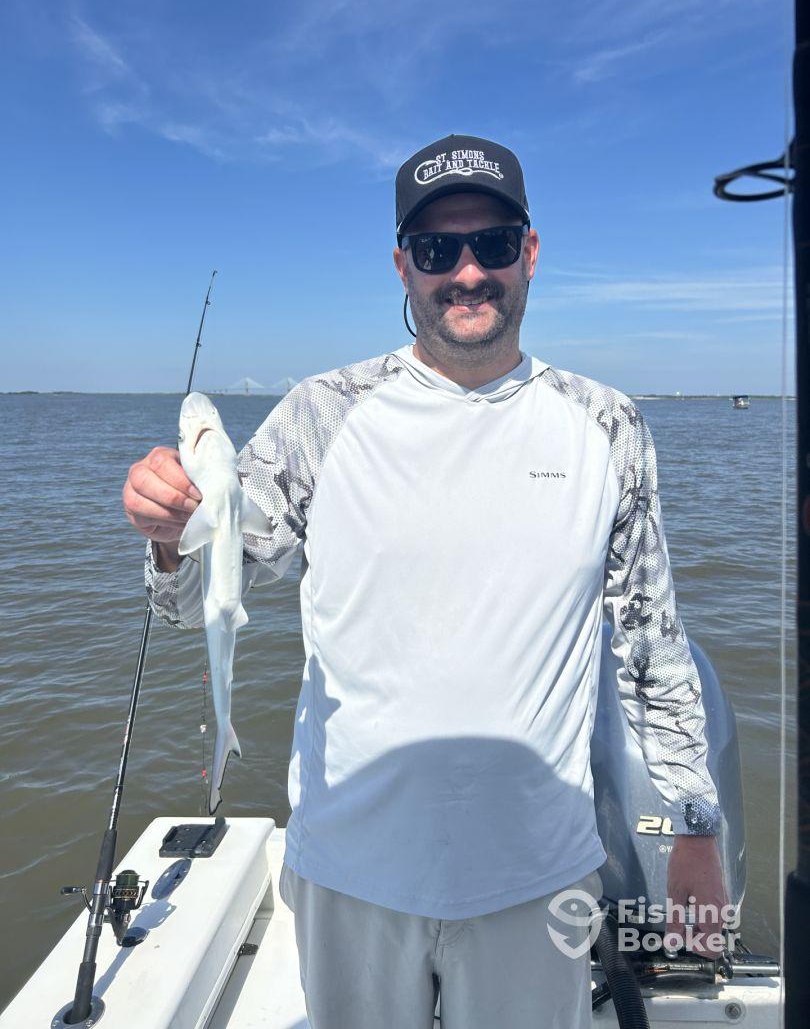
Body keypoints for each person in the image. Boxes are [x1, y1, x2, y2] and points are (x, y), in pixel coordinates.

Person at [123, 134, 727, 1028]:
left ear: (530, 250)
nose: (468, 272)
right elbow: (191, 603)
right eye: (440, 250)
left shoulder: (608, 424)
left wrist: (695, 828)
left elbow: (649, 645)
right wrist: (169, 530)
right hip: (350, 875)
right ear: (404, 266)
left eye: (491, 242)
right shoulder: (323, 415)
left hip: (542, 878)